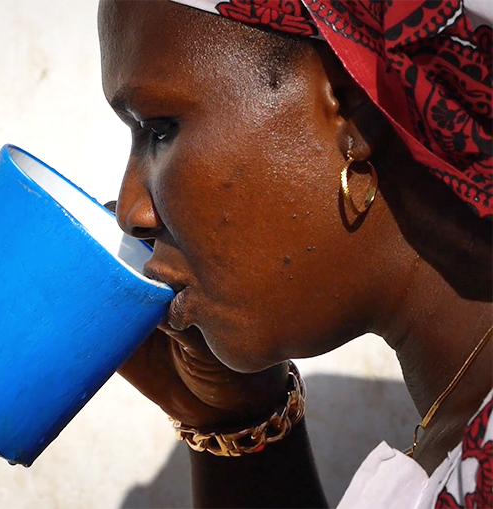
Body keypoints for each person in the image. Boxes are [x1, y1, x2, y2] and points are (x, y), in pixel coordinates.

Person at [97, 0, 493, 507]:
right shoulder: (456, 440)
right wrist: (238, 424)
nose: (132, 210)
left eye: (159, 129)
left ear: (354, 111)